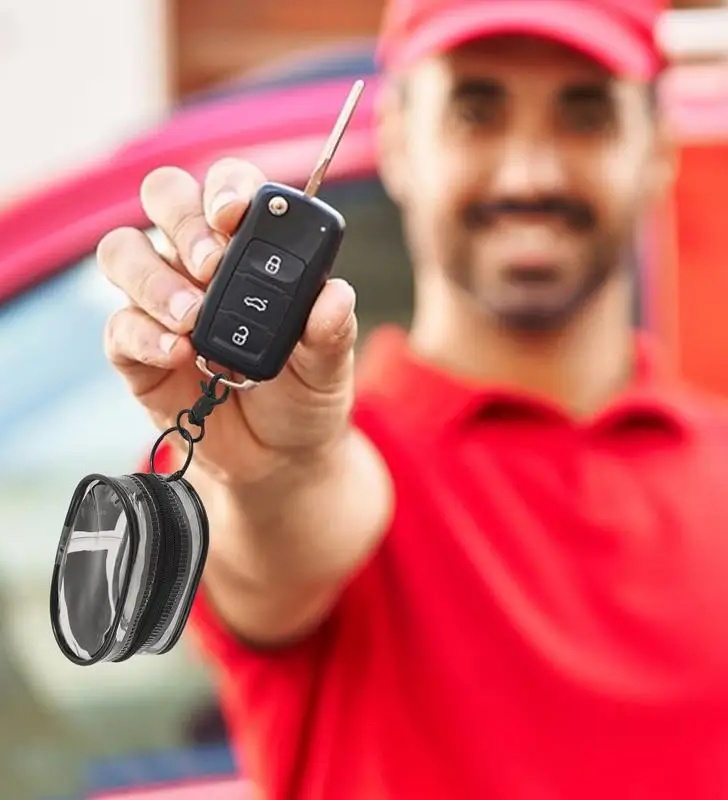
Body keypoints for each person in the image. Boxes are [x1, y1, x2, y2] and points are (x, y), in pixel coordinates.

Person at [96, 0, 728, 797]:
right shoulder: (327, 449)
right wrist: (269, 473)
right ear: (396, 143)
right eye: (475, 113)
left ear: (658, 151)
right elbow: (284, 535)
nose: (529, 174)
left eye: (585, 116)